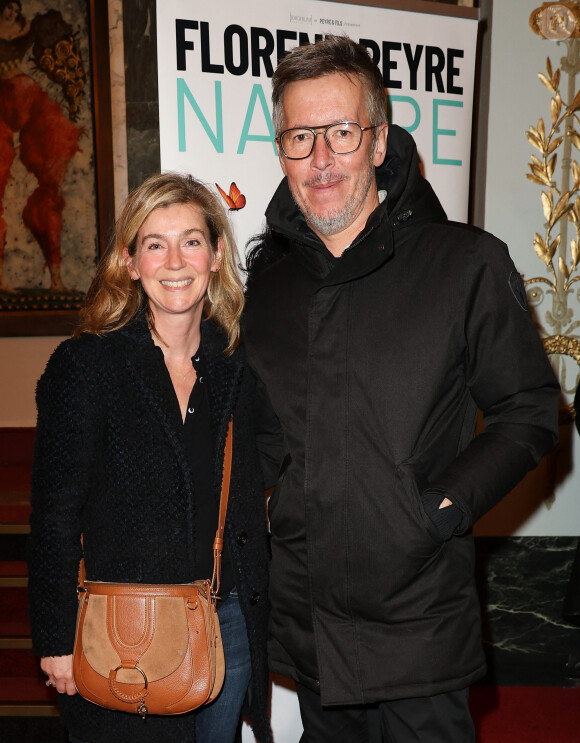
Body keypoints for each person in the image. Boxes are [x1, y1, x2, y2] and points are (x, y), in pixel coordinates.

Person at [243, 35, 560, 743]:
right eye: (300, 136)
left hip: (419, 626)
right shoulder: (266, 288)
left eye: (342, 132)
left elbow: (530, 411)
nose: (320, 158)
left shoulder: (465, 263)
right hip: (309, 623)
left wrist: (437, 507)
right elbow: (261, 438)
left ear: (380, 142)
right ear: (282, 148)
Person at [27, 173, 272, 743]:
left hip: (224, 619)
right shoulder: (88, 366)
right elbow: (54, 517)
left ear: (215, 256)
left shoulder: (237, 367)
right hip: (125, 628)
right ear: (131, 263)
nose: (174, 260)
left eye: (191, 240)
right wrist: (56, 639)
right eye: (154, 244)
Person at [0, 0, 82, 292]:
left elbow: (52, 52)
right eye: (6, 7)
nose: (11, 12)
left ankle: (56, 279)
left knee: (53, 172)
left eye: (14, 7)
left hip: (24, 93)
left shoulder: (26, 27)